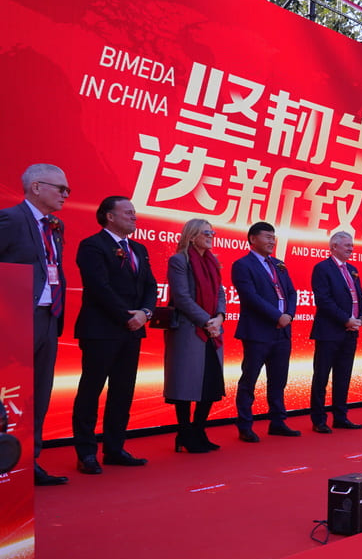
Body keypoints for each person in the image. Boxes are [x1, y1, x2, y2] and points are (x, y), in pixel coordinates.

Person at [72, 195, 157, 473]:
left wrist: (145, 312)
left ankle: (114, 447)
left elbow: (150, 286)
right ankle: (86, 452)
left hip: (132, 331)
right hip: (101, 330)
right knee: (91, 390)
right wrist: (126, 317)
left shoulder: (139, 249)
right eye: (128, 212)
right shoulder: (92, 246)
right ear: (110, 216)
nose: (134, 217)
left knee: (122, 391)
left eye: (134, 213)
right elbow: (99, 287)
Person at [0, 164, 71, 485]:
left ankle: (30, 461)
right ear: (37, 187)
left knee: (39, 393)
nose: (66, 195)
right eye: (61, 189)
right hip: (15, 320)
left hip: (47, 317)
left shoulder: (55, 226)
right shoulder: (11, 219)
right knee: (10, 392)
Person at [231, 221, 299, 442]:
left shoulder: (279, 265)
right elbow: (250, 297)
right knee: (250, 378)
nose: (272, 241)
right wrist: (276, 316)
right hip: (258, 331)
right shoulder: (242, 265)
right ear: (252, 239)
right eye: (267, 236)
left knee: (278, 379)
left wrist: (288, 315)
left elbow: (291, 292)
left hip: (282, 331)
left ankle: (278, 421)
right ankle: (245, 424)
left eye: (273, 236)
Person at [163, 219, 226, 453]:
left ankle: (199, 429)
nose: (211, 235)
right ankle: (184, 432)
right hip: (189, 329)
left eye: (212, 232)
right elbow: (181, 297)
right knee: (185, 384)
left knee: (209, 383)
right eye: (206, 232)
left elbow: (220, 292)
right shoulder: (179, 261)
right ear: (192, 236)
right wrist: (206, 321)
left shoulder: (213, 261)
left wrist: (219, 317)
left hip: (212, 330)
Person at [309, 231, 362, 433]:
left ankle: (340, 416)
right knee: (322, 376)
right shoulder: (322, 268)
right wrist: (346, 319)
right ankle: (319, 419)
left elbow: (359, 297)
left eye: (352, 245)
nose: (351, 249)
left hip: (350, 332)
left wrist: (360, 319)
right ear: (333, 247)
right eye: (346, 245)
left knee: (343, 376)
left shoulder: (352, 269)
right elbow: (323, 300)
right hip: (329, 332)